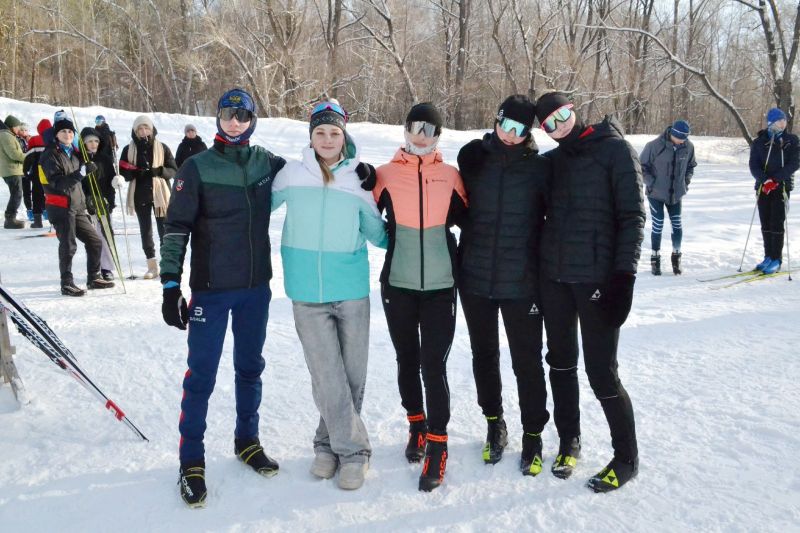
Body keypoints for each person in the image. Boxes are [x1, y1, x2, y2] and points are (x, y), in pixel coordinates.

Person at [159, 88, 286, 508]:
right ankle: (191, 461)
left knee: (250, 368)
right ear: (217, 118)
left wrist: (357, 167)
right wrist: (170, 285)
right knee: (202, 376)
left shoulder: (266, 163)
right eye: (228, 114)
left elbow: (316, 168)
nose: (235, 121)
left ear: (252, 120)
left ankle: (247, 440)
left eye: (243, 115)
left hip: (255, 289)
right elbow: (176, 227)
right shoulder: (196, 167)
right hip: (211, 292)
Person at [271, 99, 387, 491]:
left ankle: (326, 443)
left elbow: (379, 234)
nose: (326, 139)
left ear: (344, 136)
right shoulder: (291, 174)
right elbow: (255, 207)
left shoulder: (358, 179)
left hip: (351, 290)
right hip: (306, 291)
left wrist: (388, 198)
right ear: (311, 136)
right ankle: (355, 452)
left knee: (351, 377)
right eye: (319, 132)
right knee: (326, 374)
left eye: (334, 132)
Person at [534, 91, 645, 493]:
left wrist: (624, 277)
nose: (558, 125)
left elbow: (633, 216)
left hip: (597, 280)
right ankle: (569, 441)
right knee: (561, 363)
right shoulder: (551, 162)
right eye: (549, 123)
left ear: (574, 109)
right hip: (554, 279)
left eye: (562, 114)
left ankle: (627, 458)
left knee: (602, 372)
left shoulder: (615, 150)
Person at [373, 102, 468, 491]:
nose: (422, 135)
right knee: (407, 359)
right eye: (416, 126)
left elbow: (475, 221)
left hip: (441, 288)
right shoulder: (384, 175)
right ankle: (416, 424)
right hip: (397, 285)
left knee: (434, 365)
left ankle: (438, 444)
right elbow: (359, 213)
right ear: (405, 129)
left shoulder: (450, 176)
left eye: (430, 129)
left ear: (439, 136)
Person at [456, 95, 551, 476]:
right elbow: (457, 206)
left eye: (519, 130)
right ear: (495, 121)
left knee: (527, 360)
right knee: (484, 355)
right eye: (505, 125)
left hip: (522, 282)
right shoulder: (474, 158)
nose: (510, 135)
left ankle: (533, 434)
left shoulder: (540, 169)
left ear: (529, 132)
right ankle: (494, 423)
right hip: (475, 277)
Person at [39, 115, 115, 296]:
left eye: (70, 131)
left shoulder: (74, 153)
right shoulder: (50, 154)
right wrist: (80, 173)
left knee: (94, 240)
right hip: (60, 206)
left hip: (77, 206)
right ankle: (66, 283)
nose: (67, 134)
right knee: (68, 244)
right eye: (63, 131)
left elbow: (91, 157)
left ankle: (94, 277)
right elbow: (57, 183)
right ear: (56, 134)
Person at [119, 115, 177, 279]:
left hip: (161, 195)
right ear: (135, 131)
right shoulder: (128, 149)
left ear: (152, 130)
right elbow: (123, 171)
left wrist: (160, 171)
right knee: (146, 231)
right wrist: (134, 173)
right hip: (140, 194)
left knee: (164, 230)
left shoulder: (162, 147)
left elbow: (174, 170)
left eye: (146, 128)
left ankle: (167, 264)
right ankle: (152, 266)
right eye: (140, 129)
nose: (143, 131)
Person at [640, 120, 696, 275]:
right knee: (658, 224)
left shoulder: (688, 147)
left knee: (677, 224)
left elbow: (691, 166)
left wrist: (685, 182)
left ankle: (676, 257)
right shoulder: (654, 146)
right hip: (656, 193)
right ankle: (655, 258)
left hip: (676, 194)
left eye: (685, 138)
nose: (682, 141)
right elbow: (641, 166)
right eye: (680, 138)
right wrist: (651, 182)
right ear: (672, 134)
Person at [748, 107, 799, 274]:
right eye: (779, 121)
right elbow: (753, 165)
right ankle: (768, 256)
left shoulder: (791, 140)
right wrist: (765, 180)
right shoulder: (759, 141)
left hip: (781, 187)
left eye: (784, 121)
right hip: (764, 187)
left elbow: (795, 163)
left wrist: (775, 180)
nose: (783, 124)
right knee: (766, 222)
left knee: (776, 222)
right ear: (771, 123)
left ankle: (776, 259)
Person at [81, 127, 118, 281]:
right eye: (89, 141)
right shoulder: (79, 160)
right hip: (87, 205)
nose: (93, 144)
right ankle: (95, 267)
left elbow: (111, 180)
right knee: (93, 238)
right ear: (84, 143)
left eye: (96, 141)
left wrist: (115, 186)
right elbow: (78, 184)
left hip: (103, 202)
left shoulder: (105, 159)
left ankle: (107, 267)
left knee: (106, 235)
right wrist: (85, 201)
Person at [22, 119, 51, 229]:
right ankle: (54, 219)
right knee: (51, 194)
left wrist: (25, 170)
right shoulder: (55, 138)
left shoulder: (34, 140)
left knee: (37, 195)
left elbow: (28, 157)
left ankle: (38, 221)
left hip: (37, 172)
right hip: (52, 172)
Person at [1, 115, 27, 229]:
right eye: (17, 127)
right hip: (11, 169)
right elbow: (14, 154)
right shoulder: (6, 136)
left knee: (16, 194)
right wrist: (28, 157)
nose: (18, 129)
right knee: (17, 194)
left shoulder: (7, 135)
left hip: (10, 169)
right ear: (12, 126)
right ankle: (10, 219)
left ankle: (11, 218)